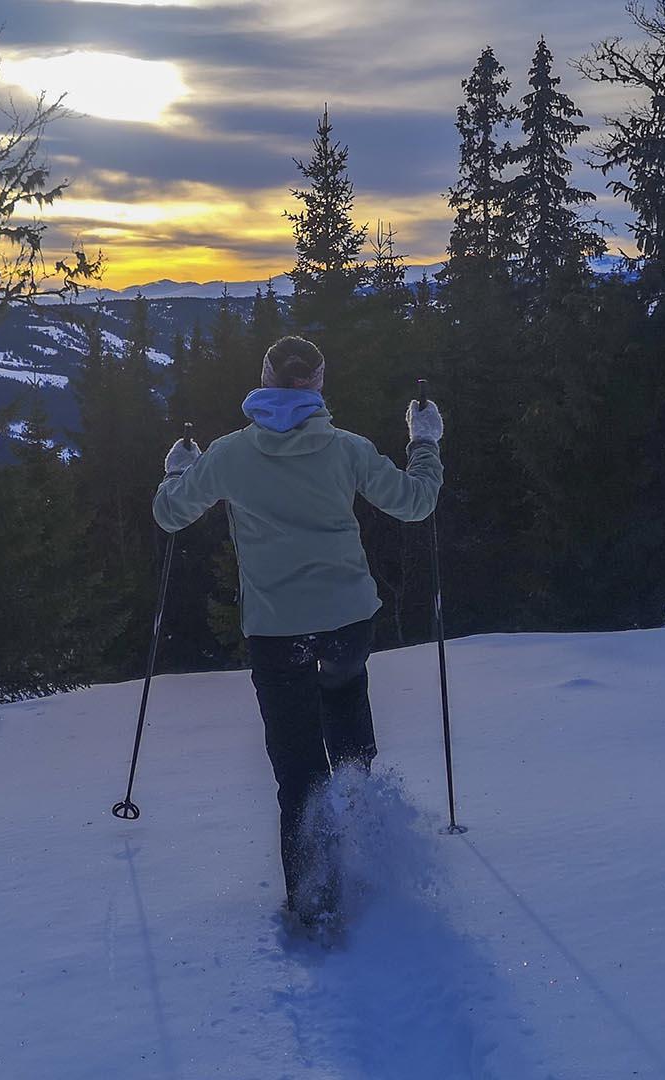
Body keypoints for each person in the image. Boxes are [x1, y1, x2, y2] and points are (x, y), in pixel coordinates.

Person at [152, 335, 444, 934]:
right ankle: (371, 845)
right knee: (348, 730)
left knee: (298, 770)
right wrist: (424, 442)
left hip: (277, 633)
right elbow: (416, 504)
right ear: (317, 383)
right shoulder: (346, 449)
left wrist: (178, 472)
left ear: (264, 379)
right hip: (346, 623)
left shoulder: (231, 454)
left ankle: (316, 907)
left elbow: (170, 514)